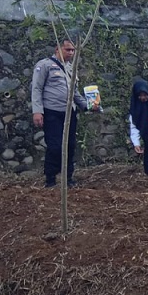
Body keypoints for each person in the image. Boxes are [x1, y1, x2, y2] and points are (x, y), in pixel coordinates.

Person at [31, 39, 99, 188]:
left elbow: (74, 92)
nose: (71, 53)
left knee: (70, 146)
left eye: (73, 50)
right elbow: (36, 88)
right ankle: (50, 179)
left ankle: (68, 179)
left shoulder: (71, 68)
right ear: (58, 49)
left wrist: (88, 107)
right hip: (52, 112)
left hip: (70, 113)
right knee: (55, 146)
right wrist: (37, 111)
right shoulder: (44, 65)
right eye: (68, 49)